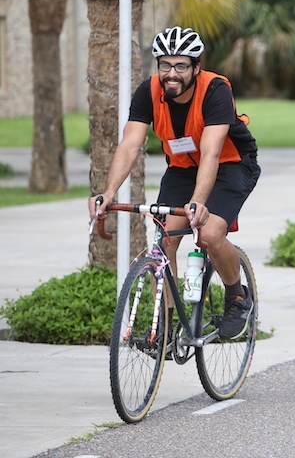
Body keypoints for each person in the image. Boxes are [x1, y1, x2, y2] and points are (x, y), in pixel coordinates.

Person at [88, 26, 261, 340]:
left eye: (181, 65)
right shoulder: (149, 91)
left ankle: (237, 296)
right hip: (182, 168)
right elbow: (129, 144)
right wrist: (108, 192)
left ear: (196, 67)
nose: (172, 73)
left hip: (230, 164)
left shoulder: (215, 90)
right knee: (165, 243)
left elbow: (210, 153)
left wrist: (198, 201)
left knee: (208, 233)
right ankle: (166, 328)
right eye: (165, 64)